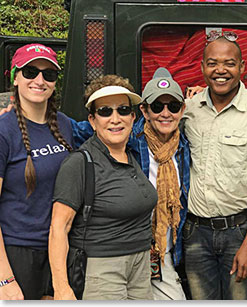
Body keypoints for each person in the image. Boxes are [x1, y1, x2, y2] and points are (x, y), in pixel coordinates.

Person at [182, 36, 247, 300]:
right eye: (212, 63)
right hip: (195, 232)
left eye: (229, 63)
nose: (220, 70)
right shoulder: (188, 109)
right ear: (202, 67)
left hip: (239, 231)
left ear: (242, 67)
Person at [48, 75, 158, 300]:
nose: (115, 119)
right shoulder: (80, 162)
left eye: (123, 110)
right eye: (105, 111)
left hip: (140, 266)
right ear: (92, 120)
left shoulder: (133, 155)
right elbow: (59, 228)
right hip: (102, 269)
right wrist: (61, 288)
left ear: (133, 116)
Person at [0, 44, 73, 300]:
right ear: (15, 77)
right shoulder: (4, 131)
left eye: (48, 74)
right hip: (17, 253)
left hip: (58, 249)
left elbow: (111, 126)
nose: (39, 80)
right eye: (30, 71)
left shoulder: (65, 125)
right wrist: (4, 279)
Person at [134, 68, 190, 300]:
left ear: (182, 110)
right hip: (130, 249)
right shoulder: (128, 140)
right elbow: (78, 129)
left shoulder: (184, 145)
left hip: (161, 253)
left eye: (173, 107)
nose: (165, 113)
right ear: (144, 111)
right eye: (157, 107)